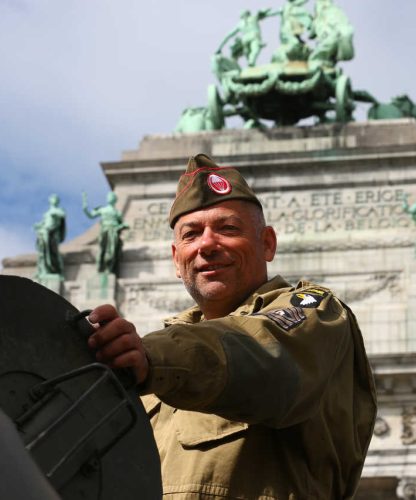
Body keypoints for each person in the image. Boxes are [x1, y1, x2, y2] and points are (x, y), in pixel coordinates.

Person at [87, 154, 377, 499]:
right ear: (176, 259)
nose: (207, 245)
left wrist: (153, 358)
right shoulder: (151, 360)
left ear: (267, 243)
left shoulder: (315, 308)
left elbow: (264, 355)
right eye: (191, 234)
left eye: (228, 229)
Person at [82, 191, 129, 274]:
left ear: (115, 200)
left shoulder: (117, 213)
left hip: (113, 232)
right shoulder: (102, 210)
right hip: (104, 231)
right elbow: (90, 215)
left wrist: (123, 226)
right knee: (103, 250)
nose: (110, 198)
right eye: (109, 197)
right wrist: (85, 206)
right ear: (107, 199)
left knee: (111, 251)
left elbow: (121, 224)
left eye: (112, 197)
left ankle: (109, 268)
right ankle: (102, 266)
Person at [34, 193, 66, 278]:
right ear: (50, 200)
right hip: (44, 233)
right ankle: (43, 270)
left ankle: (53, 269)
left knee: (52, 251)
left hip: (52, 234)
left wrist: (56, 215)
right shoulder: (47, 213)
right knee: (43, 251)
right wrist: (38, 226)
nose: (55, 200)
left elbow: (62, 216)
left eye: (56, 199)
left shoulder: (59, 210)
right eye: (53, 198)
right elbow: (43, 223)